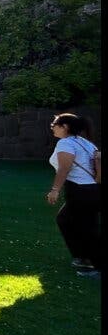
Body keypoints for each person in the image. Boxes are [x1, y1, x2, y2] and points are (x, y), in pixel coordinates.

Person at [46, 113, 101, 278]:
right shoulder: (85, 142)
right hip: (92, 189)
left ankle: (94, 264)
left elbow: (64, 168)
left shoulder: (66, 143)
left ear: (65, 127)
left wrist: (55, 189)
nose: (52, 127)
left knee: (85, 227)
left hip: (80, 190)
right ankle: (83, 257)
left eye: (54, 124)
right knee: (67, 220)